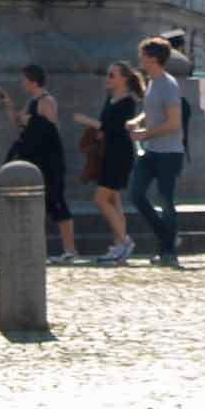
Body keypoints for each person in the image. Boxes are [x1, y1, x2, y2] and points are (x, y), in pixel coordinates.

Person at [0, 64, 78, 263]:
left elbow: (50, 129)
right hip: (34, 160)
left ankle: (70, 250)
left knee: (57, 202)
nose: (21, 83)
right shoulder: (32, 101)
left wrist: (30, 121)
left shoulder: (47, 101)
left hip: (49, 162)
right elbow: (18, 123)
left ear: (33, 81)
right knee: (35, 205)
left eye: (24, 80)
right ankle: (28, 249)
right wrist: (8, 104)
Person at [127, 39, 186, 266]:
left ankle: (168, 251)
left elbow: (174, 123)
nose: (140, 60)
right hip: (152, 151)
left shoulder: (168, 84)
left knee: (166, 201)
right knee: (136, 195)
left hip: (169, 153)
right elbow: (151, 111)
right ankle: (168, 237)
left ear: (153, 59)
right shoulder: (151, 82)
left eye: (142, 56)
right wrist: (137, 121)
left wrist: (145, 134)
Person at [84, 61, 143, 263]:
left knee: (100, 199)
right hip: (108, 153)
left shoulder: (128, 102)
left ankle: (125, 241)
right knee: (114, 201)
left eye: (112, 75)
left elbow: (112, 127)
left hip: (119, 154)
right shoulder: (110, 98)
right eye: (108, 74)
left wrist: (86, 121)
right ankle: (119, 245)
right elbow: (104, 128)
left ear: (124, 79)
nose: (108, 78)